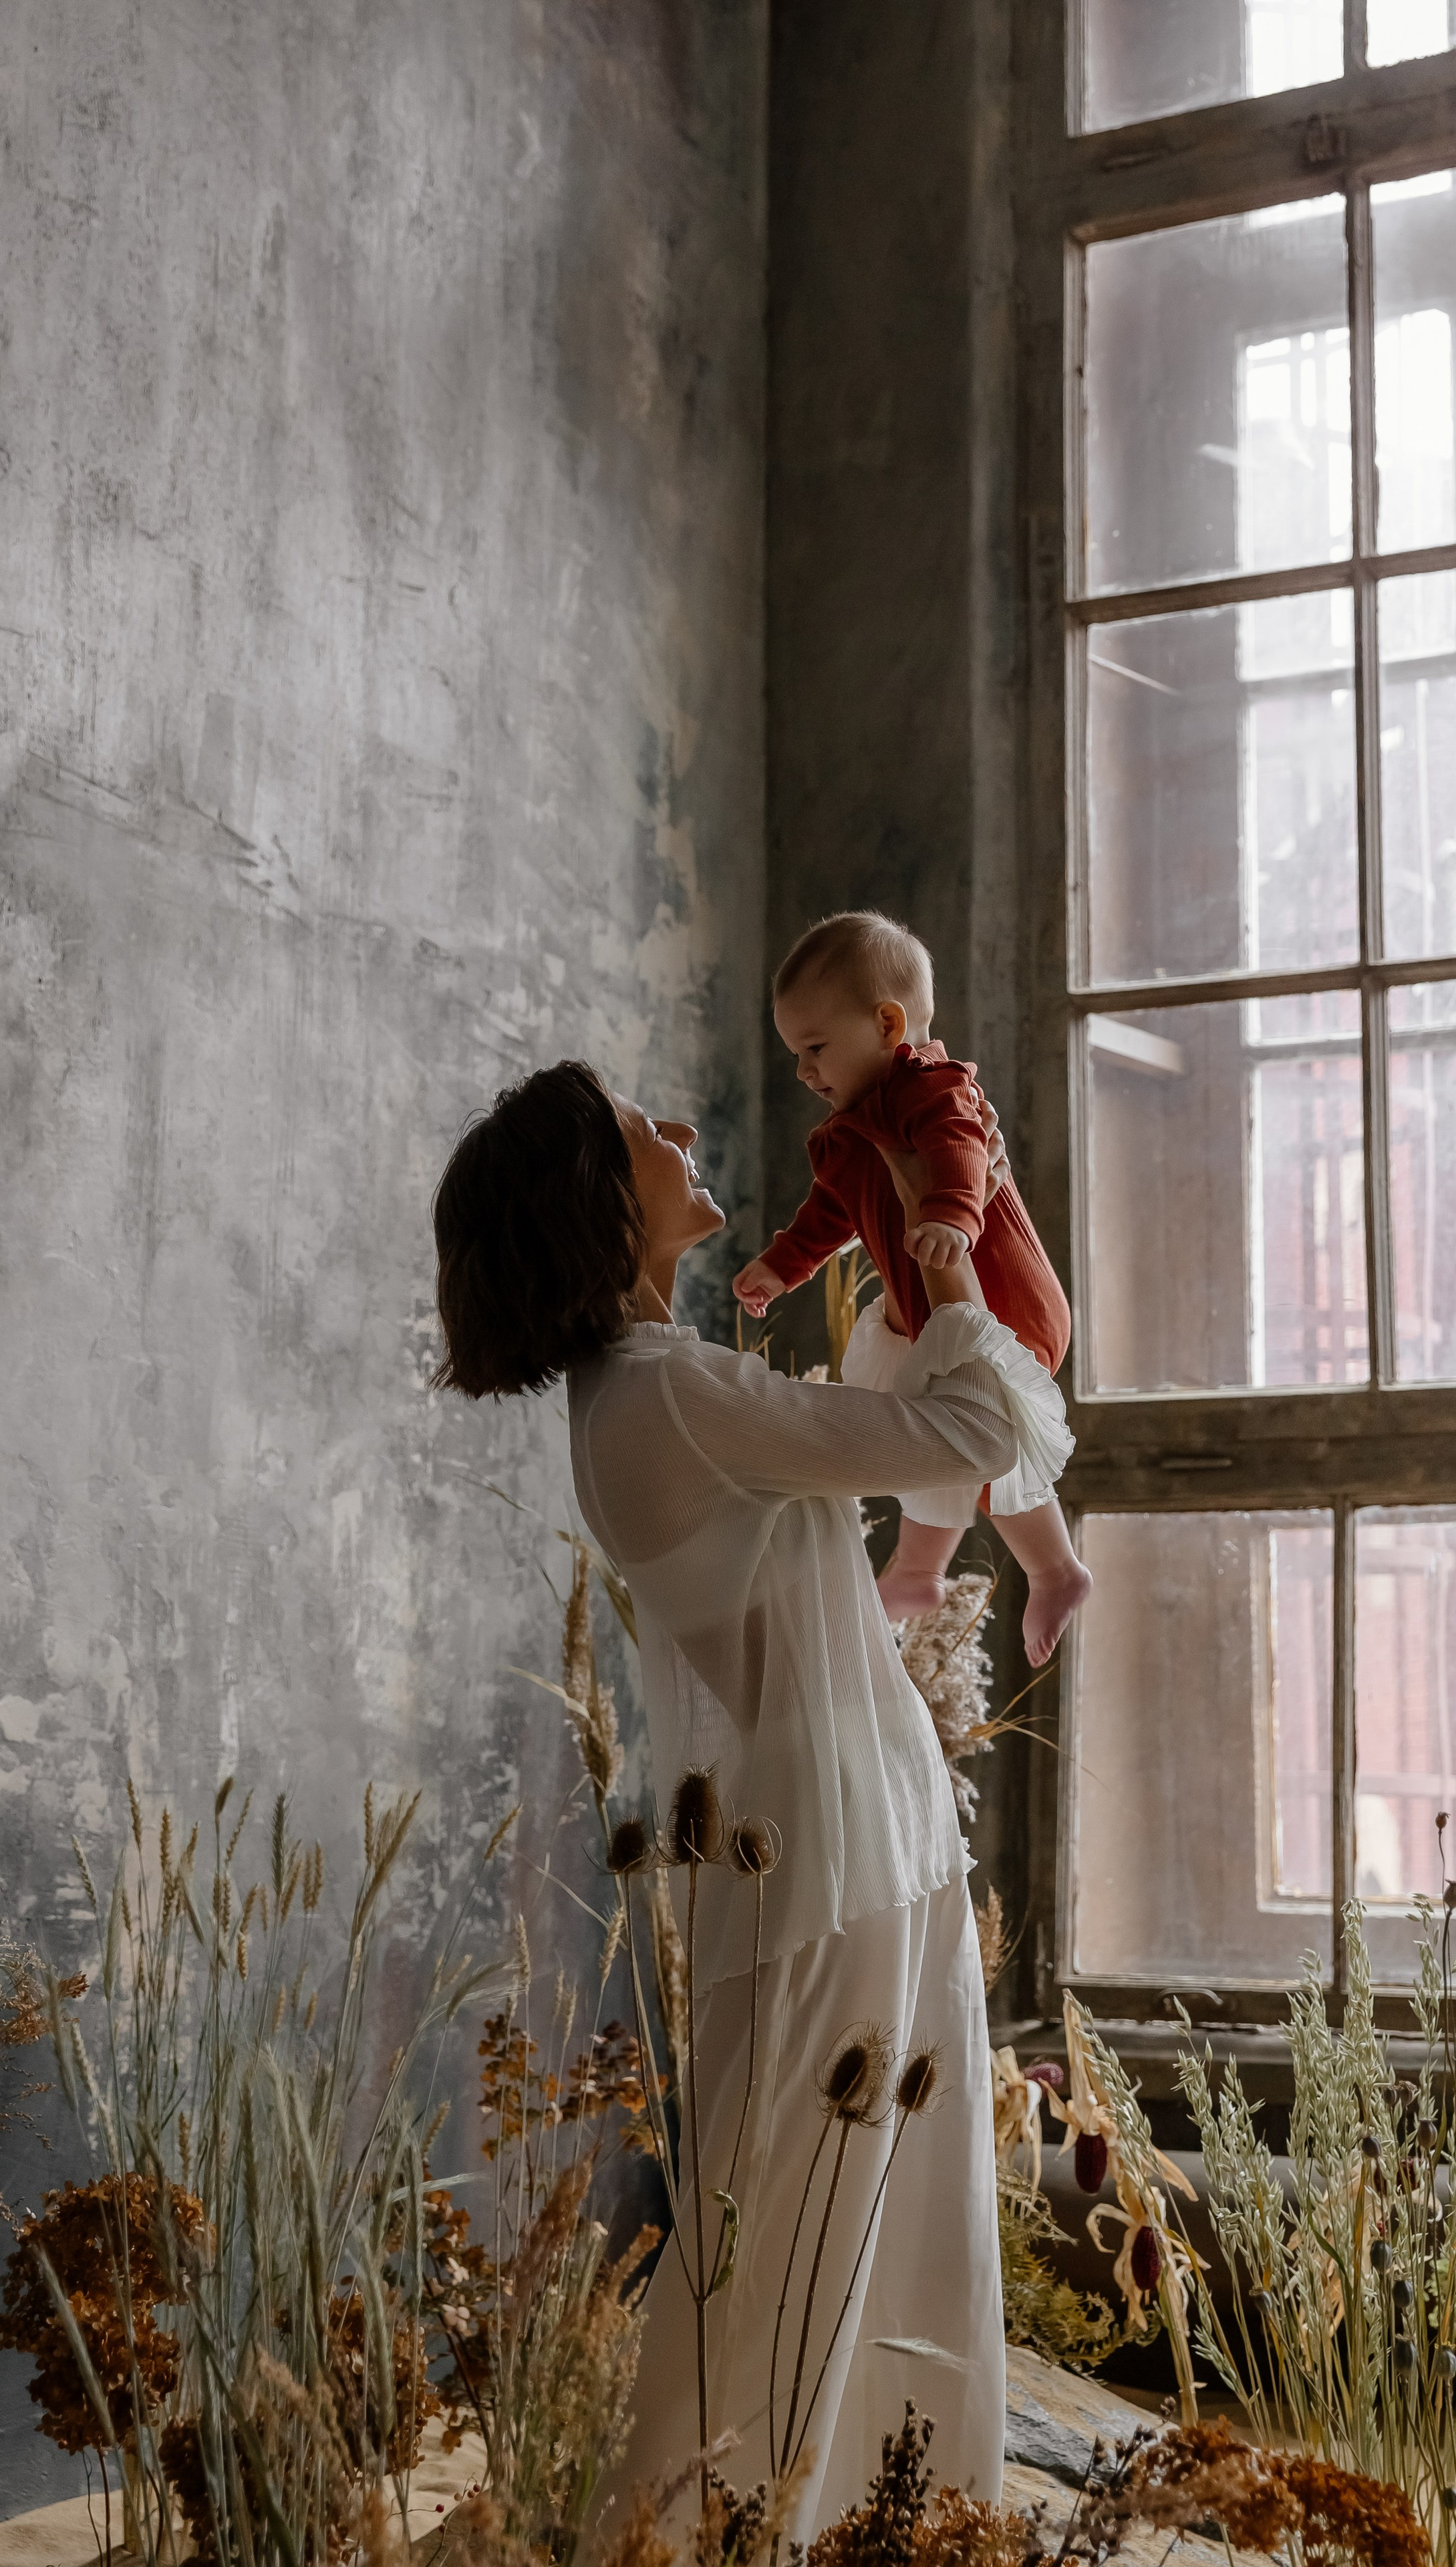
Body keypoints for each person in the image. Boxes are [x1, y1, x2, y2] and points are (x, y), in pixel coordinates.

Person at [430, 1061, 1072, 2544]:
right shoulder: (673, 1393)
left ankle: (866, 2522)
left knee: (844, 2221)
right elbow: (976, 1435)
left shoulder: (639, 1394)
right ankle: (723, 2530)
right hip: (832, 1849)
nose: (675, 1128)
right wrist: (943, 1256)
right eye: (640, 1129)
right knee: (812, 2233)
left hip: (843, 1839)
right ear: (602, 1199)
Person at [733, 912, 1093, 1668]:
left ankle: (1054, 1567)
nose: (803, 1071)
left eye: (815, 1048)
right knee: (932, 1431)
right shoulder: (844, 1133)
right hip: (926, 1316)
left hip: (1000, 1301)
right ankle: (919, 1571)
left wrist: (952, 1220)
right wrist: (783, 1264)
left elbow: (961, 1151)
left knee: (987, 1432)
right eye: (796, 1052)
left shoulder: (930, 1087)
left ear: (888, 1023)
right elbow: (829, 1213)